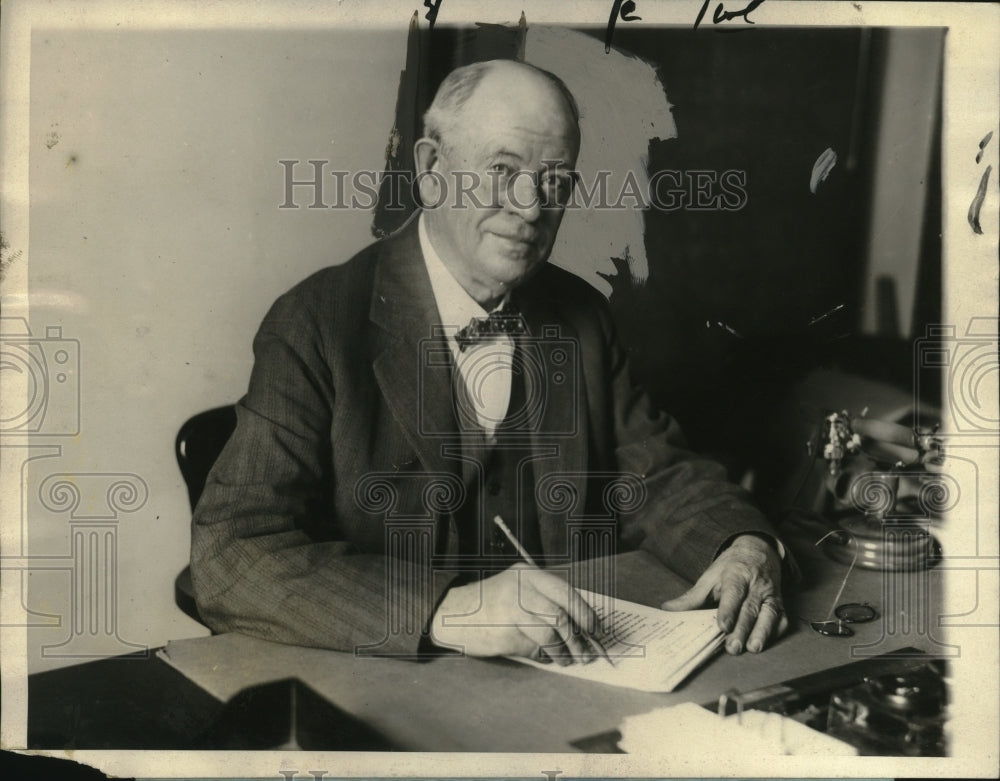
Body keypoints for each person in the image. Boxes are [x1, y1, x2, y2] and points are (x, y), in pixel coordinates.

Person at [190, 59, 788, 666]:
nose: (531, 208)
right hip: (394, 676)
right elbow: (232, 555)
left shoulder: (581, 315)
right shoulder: (314, 322)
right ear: (430, 170)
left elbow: (653, 476)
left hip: (568, 673)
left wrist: (742, 543)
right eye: (502, 171)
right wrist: (451, 612)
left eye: (554, 181)